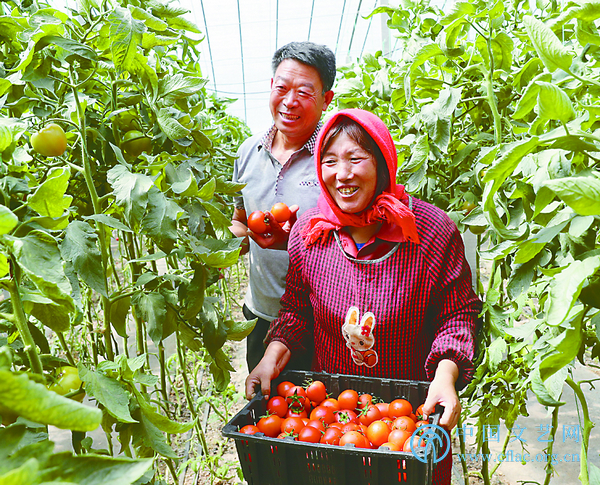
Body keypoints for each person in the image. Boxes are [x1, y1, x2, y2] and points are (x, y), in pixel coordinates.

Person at [245, 109, 481, 485]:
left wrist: (445, 376)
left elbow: (458, 314)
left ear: (383, 163)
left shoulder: (430, 232)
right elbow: (295, 312)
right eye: (329, 161)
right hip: (333, 420)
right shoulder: (312, 231)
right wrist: (270, 359)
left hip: (410, 416)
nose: (342, 174)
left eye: (356, 158)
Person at [230, 42, 336, 372]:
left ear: (326, 100)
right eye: (282, 88)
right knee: (265, 398)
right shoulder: (248, 152)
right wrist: (227, 244)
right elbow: (240, 219)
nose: (290, 101)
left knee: (322, 403)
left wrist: (296, 243)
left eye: (304, 92)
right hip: (261, 314)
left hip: (323, 321)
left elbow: (357, 241)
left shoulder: (335, 159)